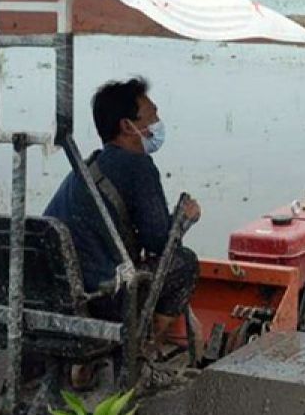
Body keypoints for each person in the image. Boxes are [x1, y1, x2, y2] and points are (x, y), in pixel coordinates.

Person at [44, 76, 202, 368]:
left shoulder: (90, 165)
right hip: (101, 298)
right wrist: (185, 220)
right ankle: (145, 348)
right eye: (152, 116)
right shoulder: (137, 165)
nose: (157, 122)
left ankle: (89, 365)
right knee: (185, 263)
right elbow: (159, 243)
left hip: (56, 293)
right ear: (127, 126)